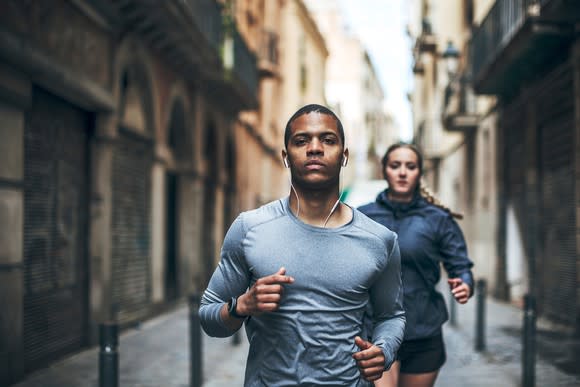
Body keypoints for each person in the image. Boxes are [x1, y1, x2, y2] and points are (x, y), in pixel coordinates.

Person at [199, 104, 406, 386]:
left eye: (328, 140)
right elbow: (208, 318)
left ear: (344, 155)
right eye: (301, 141)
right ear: (286, 156)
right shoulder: (250, 228)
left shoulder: (380, 240)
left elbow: (391, 315)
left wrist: (384, 350)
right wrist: (243, 305)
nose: (315, 148)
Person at [358, 143, 474, 387]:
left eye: (410, 167)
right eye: (395, 165)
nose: (402, 172)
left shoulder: (438, 219)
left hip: (423, 332)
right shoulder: (361, 217)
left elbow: (460, 265)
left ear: (419, 173)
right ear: (384, 171)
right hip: (374, 331)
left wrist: (465, 284)